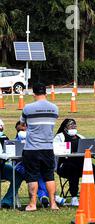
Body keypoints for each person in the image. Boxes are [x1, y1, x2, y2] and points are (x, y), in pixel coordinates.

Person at [19, 82, 59, 211]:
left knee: (32, 176)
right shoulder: (54, 108)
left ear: (34, 93)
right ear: (46, 92)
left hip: (32, 148)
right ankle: (53, 203)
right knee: (49, 176)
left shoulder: (28, 108)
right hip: (47, 147)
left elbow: (22, 124)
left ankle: (32, 203)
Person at [54, 119, 95, 206]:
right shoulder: (59, 137)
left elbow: (88, 147)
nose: (73, 127)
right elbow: (56, 150)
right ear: (65, 128)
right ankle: (74, 197)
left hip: (81, 165)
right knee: (72, 169)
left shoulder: (80, 137)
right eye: (71, 126)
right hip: (65, 165)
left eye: (75, 126)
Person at [15, 122, 65, 208]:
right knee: (35, 175)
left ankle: (44, 197)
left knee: (38, 174)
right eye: (20, 130)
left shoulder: (35, 140)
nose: (22, 131)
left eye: (24, 129)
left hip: (35, 166)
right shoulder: (16, 141)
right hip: (21, 166)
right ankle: (49, 196)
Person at [0, 120, 24, 209]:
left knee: (17, 176)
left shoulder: (3, 137)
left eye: (1, 126)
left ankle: (7, 201)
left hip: (2, 166)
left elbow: (9, 150)